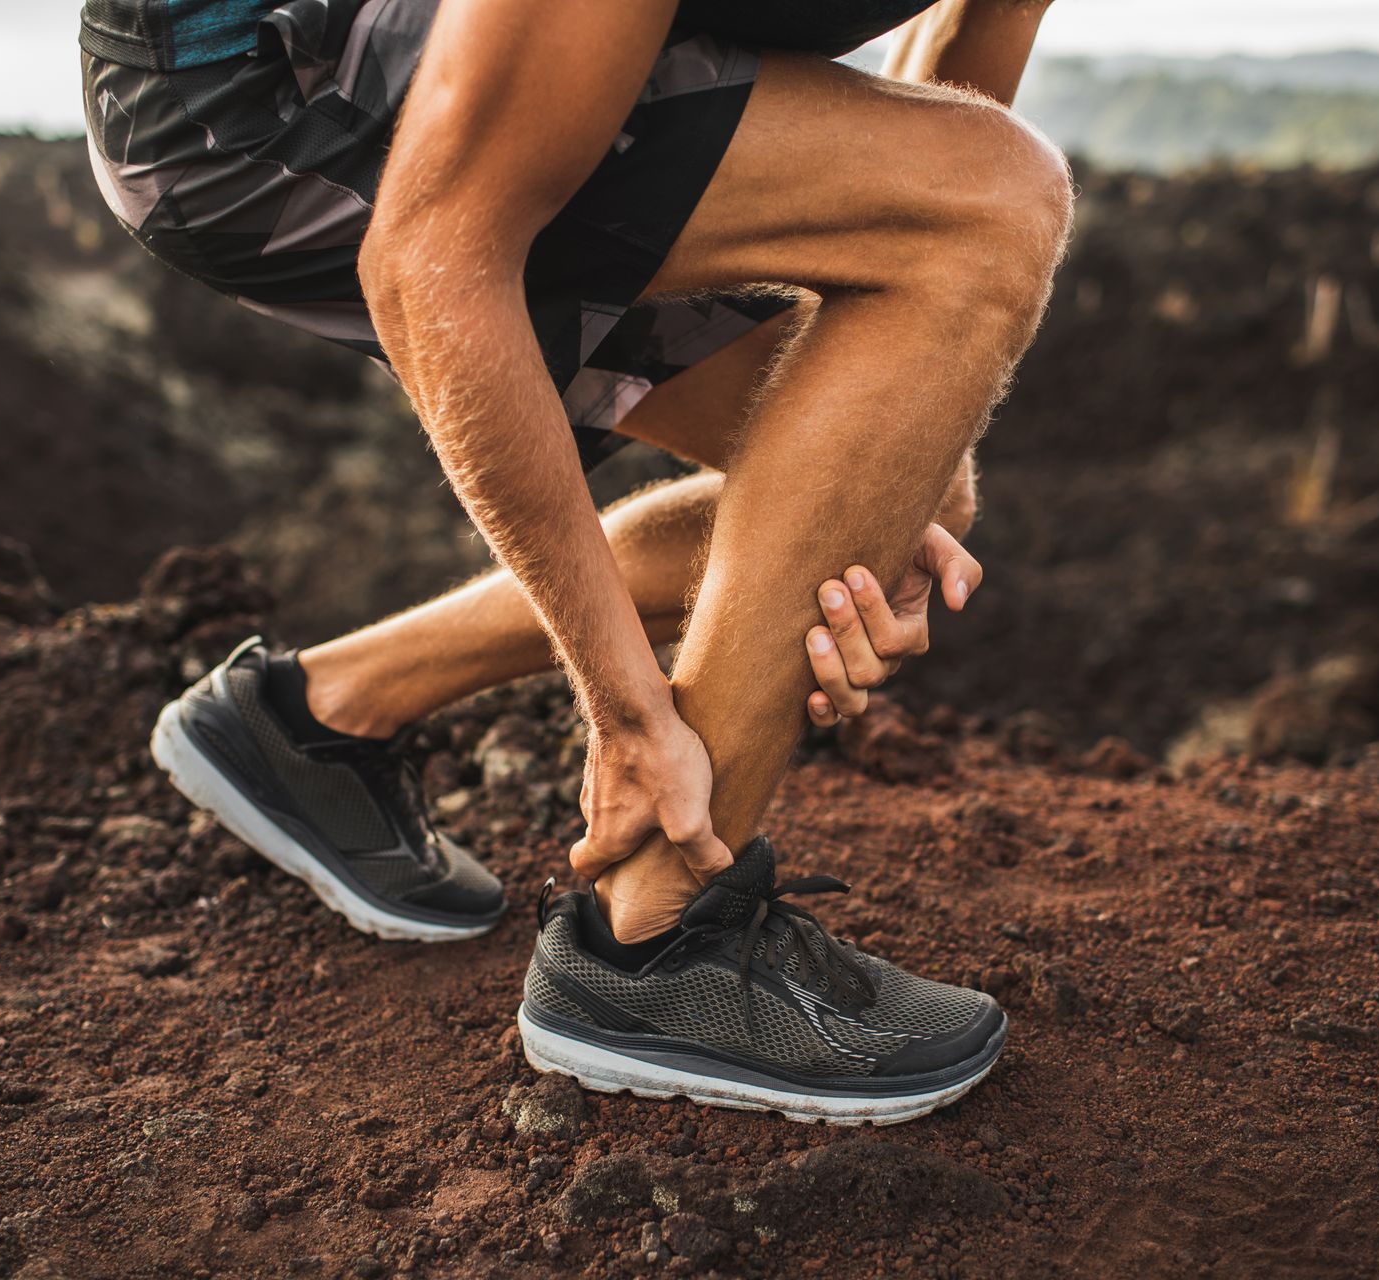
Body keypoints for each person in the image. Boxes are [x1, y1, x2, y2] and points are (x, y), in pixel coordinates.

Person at [84, 0, 1070, 1122]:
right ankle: (655, 943)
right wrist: (625, 703)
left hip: (523, 69)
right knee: (990, 199)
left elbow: (926, 154)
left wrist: (852, 483)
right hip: (245, 100)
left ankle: (315, 714)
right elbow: (429, 255)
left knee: (909, 474)